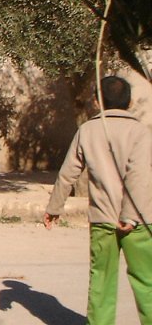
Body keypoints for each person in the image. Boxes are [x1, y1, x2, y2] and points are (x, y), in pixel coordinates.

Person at [45, 75, 152, 324]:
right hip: (139, 221)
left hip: (103, 220)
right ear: (130, 102)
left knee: (101, 281)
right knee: (147, 281)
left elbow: (68, 173)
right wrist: (129, 216)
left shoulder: (87, 131)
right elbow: (139, 175)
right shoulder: (141, 132)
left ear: (96, 101)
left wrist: (54, 207)